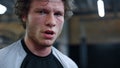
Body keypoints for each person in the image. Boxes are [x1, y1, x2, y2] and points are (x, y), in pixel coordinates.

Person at [0, 0, 78, 68]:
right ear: (24, 15)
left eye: (58, 14)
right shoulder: (2, 61)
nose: (51, 22)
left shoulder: (69, 65)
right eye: (42, 12)